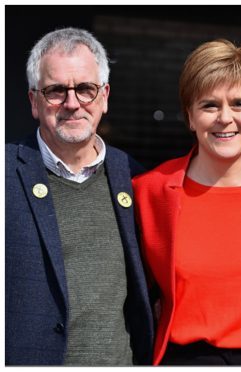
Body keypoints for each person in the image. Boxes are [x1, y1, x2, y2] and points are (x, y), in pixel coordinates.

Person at [132, 39, 241, 366]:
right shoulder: (149, 192)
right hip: (185, 359)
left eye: (239, 104)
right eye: (209, 105)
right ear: (190, 117)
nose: (225, 118)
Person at [5, 28, 154, 365]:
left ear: (104, 96)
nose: (72, 103)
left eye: (85, 89)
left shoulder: (136, 178)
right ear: (33, 101)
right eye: (56, 90)